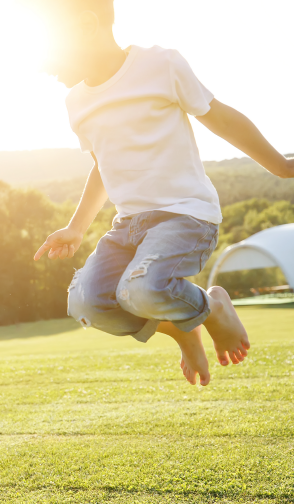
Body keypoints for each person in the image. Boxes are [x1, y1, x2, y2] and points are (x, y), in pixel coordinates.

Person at [33, 0, 294, 385]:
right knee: (86, 302)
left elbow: (219, 117)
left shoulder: (160, 66)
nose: (44, 63)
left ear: (87, 25)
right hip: (128, 227)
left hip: (185, 216)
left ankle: (213, 307)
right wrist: (76, 227)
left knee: (140, 290)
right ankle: (181, 327)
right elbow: (102, 166)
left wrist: (282, 166)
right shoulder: (77, 103)